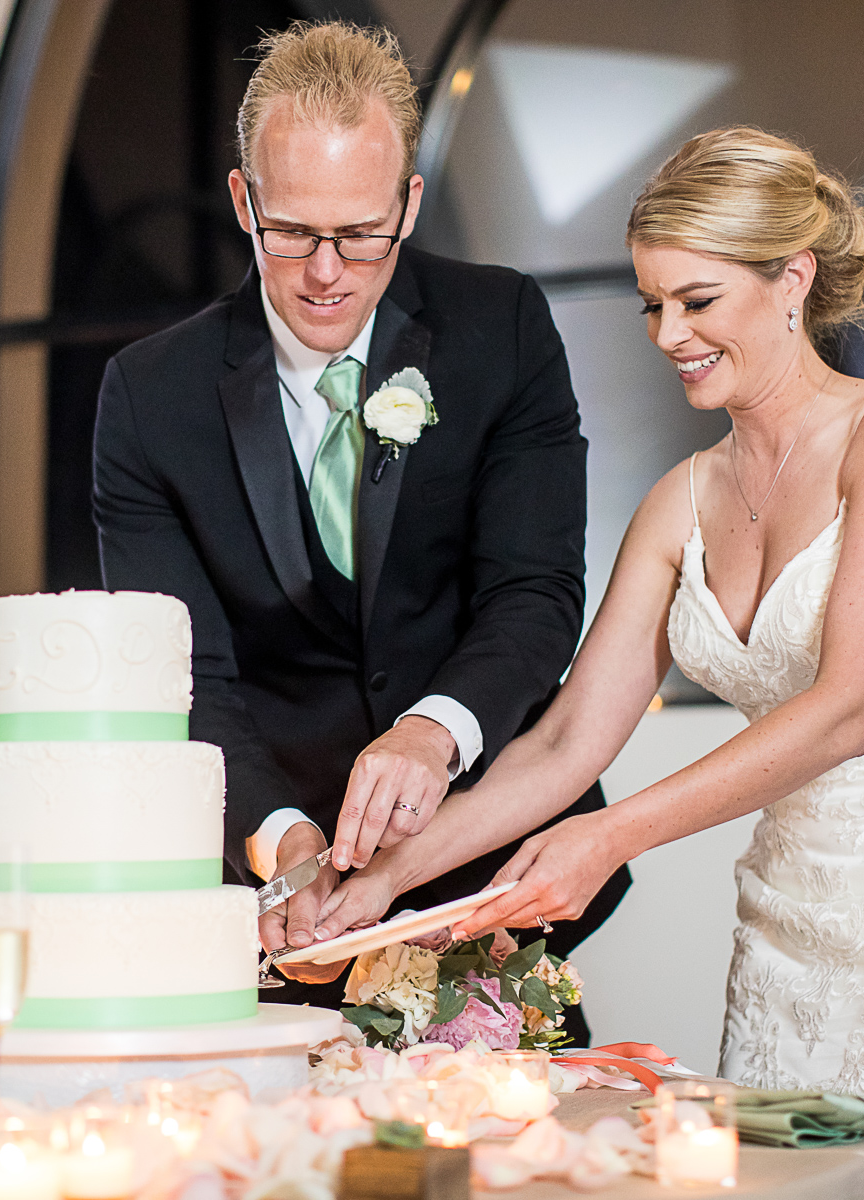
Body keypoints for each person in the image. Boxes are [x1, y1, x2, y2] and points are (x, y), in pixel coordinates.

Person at [313, 128, 864, 1199]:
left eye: (698, 301)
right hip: (788, 919)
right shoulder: (681, 500)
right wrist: (387, 883)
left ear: (792, 279)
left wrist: (610, 836)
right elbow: (570, 739)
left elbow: (850, 706)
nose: (668, 334)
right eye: (652, 305)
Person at [89, 21, 628, 1028]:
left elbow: (535, 593)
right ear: (245, 200)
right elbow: (185, 675)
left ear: (410, 204)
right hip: (281, 909)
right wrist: (285, 840)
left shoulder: (500, 330)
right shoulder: (149, 396)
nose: (328, 272)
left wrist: (434, 731)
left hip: (487, 878)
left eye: (362, 233)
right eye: (293, 232)